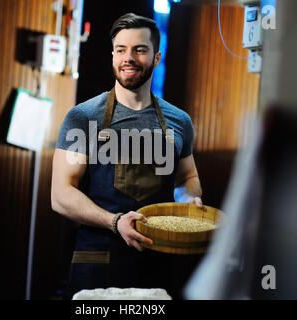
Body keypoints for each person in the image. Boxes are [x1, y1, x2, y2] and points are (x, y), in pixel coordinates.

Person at [51, 13, 203, 299]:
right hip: (98, 259)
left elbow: (187, 177)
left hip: (158, 260)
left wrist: (188, 200)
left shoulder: (179, 121)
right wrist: (114, 221)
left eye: (139, 49)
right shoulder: (83, 117)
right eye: (121, 50)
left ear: (157, 57)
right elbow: (60, 194)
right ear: (112, 55)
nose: (128, 57)